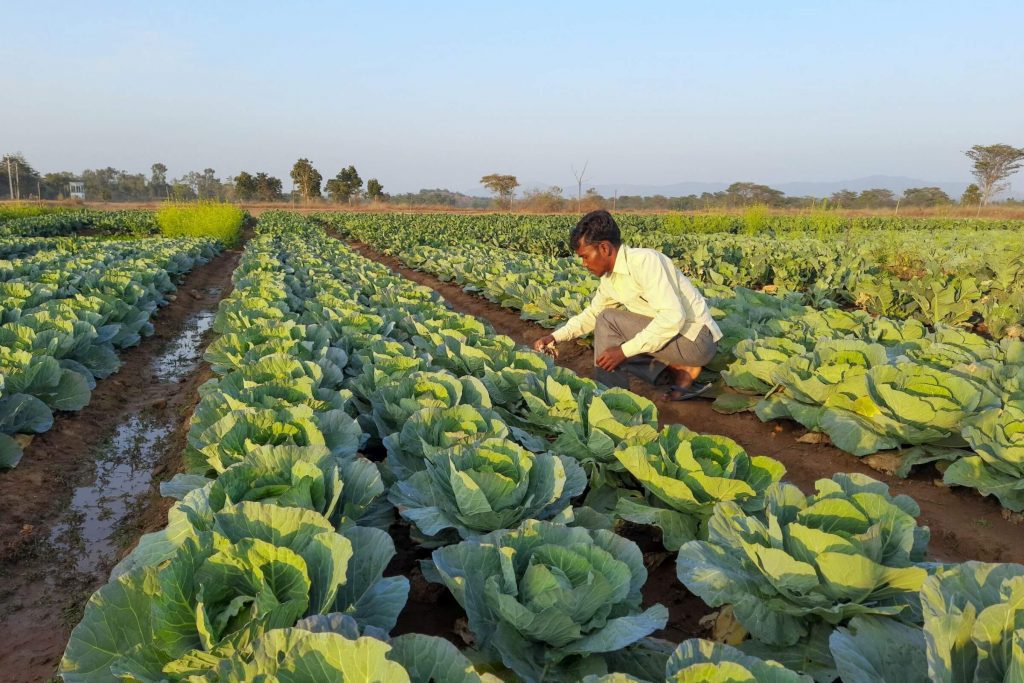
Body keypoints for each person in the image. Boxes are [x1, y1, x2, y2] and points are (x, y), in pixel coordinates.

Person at [532, 210, 722, 399]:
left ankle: (612, 400)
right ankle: (675, 371)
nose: (584, 263)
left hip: (696, 341)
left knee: (608, 321)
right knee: (606, 325)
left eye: (585, 256)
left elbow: (673, 318)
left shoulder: (645, 262)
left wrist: (623, 351)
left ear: (604, 248)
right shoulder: (610, 279)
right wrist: (554, 336)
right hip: (675, 339)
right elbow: (592, 315)